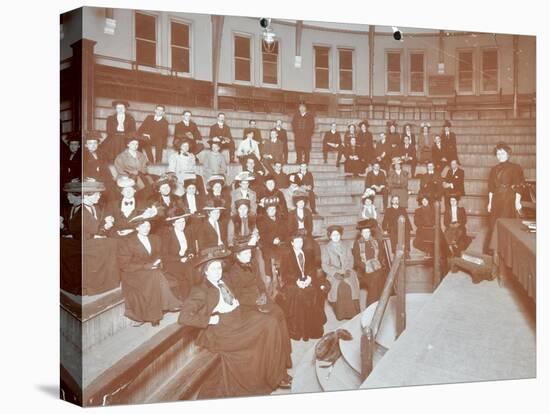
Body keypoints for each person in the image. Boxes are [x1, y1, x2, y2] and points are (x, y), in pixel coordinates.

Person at [178, 246, 292, 397]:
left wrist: (243, 302)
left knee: (271, 321)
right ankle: (273, 377)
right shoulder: (200, 290)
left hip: (238, 317)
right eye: (213, 269)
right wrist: (209, 319)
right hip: (223, 329)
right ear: (205, 272)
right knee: (266, 327)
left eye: (219, 268)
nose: (217, 272)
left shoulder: (222, 280)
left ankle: (276, 374)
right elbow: (184, 317)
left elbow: (234, 296)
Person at [118, 216, 182, 326]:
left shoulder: (155, 238)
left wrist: (157, 262)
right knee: (155, 276)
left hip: (151, 271)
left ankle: (155, 315)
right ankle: (169, 304)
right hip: (133, 273)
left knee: (155, 275)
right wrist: (146, 266)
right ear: (137, 228)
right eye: (143, 226)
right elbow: (124, 264)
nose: (147, 228)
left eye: (148, 226)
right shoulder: (129, 242)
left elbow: (158, 254)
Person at [60, 178, 119, 296]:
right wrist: (62, 227)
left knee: (112, 243)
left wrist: (106, 227)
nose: (99, 196)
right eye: (97, 194)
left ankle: (103, 283)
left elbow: (98, 227)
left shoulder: (97, 208)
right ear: (86, 195)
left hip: (88, 240)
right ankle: (90, 285)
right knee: (109, 245)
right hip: (80, 242)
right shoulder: (74, 210)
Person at [279, 230, 327, 341]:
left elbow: (312, 269)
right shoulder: (287, 256)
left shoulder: (308, 253)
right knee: (300, 295)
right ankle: (299, 330)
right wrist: (297, 282)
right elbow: (284, 275)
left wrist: (309, 278)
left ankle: (312, 329)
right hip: (292, 283)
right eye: (296, 242)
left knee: (314, 292)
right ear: (292, 243)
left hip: (307, 280)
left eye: (301, 242)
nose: (299, 244)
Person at [484, 142, 525, 254]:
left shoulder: (515, 168)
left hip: (508, 199)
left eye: (502, 153)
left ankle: (505, 252)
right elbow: (491, 188)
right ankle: (495, 250)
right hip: (496, 198)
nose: (500, 155)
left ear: (508, 154)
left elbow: (519, 186)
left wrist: (517, 202)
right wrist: (490, 203)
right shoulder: (493, 169)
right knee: (494, 224)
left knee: (505, 224)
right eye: (498, 153)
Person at [322, 225, 361, 320]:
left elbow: (350, 260)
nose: (336, 237)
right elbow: (325, 265)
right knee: (340, 287)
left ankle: (353, 314)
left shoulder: (346, 246)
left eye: (338, 235)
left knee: (351, 286)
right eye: (334, 235)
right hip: (334, 274)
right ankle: (341, 314)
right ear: (330, 236)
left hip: (347, 271)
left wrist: (348, 270)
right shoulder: (326, 248)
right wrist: (335, 273)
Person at [161, 209, 197, 301]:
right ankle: (187, 299)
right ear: (173, 223)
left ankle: (196, 295)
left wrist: (191, 254)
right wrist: (180, 259)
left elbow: (191, 248)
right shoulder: (167, 235)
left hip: (186, 260)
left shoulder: (187, 232)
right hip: (172, 262)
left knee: (196, 268)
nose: (182, 224)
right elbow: (164, 255)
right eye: (179, 222)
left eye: (183, 221)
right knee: (187, 272)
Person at [352, 219, 386, 307]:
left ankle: (381, 303)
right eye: (364, 232)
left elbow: (381, 257)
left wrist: (376, 265)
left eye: (368, 232)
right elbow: (356, 261)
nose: (366, 234)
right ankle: (371, 305)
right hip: (364, 270)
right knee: (375, 279)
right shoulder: (357, 244)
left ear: (370, 232)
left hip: (376, 267)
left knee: (381, 277)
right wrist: (366, 267)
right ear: (361, 233)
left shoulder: (376, 241)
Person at [257, 196, 288, 289]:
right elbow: (262, 235)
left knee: (286, 253)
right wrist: (272, 240)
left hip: (279, 244)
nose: (272, 211)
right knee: (269, 256)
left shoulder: (280, 219)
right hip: (267, 245)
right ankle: (270, 278)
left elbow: (285, 232)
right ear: (266, 210)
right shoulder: (262, 221)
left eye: (273, 209)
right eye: (270, 209)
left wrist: (279, 238)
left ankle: (283, 278)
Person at [83, 131, 115, 196]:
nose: (93, 145)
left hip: (102, 180)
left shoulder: (101, 154)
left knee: (112, 189)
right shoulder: (83, 155)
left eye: (95, 143)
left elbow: (106, 171)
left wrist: (99, 179)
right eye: (90, 143)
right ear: (85, 145)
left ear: (98, 144)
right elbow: (83, 172)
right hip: (90, 181)